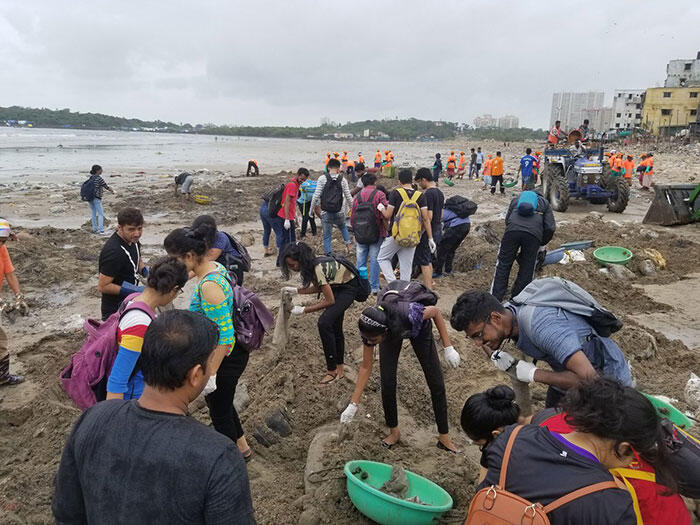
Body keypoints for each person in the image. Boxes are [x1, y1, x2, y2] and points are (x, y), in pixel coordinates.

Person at [52, 310, 255, 524]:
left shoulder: (93, 419)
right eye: (209, 364)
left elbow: (66, 514)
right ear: (195, 375)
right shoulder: (218, 457)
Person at [475, 378, 678, 525]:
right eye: (635, 453)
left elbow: (482, 487)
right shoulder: (612, 504)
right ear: (623, 447)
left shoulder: (510, 438)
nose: (634, 460)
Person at [450, 286, 633, 408]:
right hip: (570, 371)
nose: (478, 343)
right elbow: (489, 339)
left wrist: (534, 374)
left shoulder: (542, 326)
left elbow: (592, 381)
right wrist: (494, 355)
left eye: (478, 336)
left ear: (496, 318)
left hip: (607, 382)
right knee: (548, 427)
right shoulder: (508, 315)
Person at [164, 225, 252, 460]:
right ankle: (243, 448)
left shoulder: (209, 287)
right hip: (223, 355)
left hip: (226, 357)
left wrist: (211, 374)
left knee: (219, 411)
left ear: (190, 256)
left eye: (176, 260)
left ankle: (230, 461)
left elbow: (225, 337)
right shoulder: (215, 267)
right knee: (222, 402)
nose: (175, 265)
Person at [341, 296, 461, 452]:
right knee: (387, 381)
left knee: (435, 381)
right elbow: (366, 367)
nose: (369, 343)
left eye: (373, 340)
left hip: (416, 327)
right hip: (390, 327)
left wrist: (448, 347)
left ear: (384, 333)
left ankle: (444, 437)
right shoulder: (371, 327)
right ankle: (394, 432)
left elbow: (436, 312)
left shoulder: (411, 314)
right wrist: (353, 404)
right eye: (367, 339)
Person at [106, 257, 188, 400]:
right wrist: (115, 418)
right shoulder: (140, 324)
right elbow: (117, 383)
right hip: (131, 401)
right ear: (174, 289)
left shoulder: (133, 298)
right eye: (179, 291)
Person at [280, 242, 360, 385]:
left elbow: (329, 300)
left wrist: (304, 310)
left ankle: (332, 371)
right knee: (334, 326)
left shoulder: (316, 268)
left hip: (349, 288)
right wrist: (297, 290)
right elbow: (319, 287)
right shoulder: (312, 266)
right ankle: (339, 368)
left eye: (293, 265)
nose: (293, 269)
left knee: (324, 322)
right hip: (338, 287)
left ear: (300, 260)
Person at [490, 190, 556, 301]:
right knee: (527, 268)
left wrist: (512, 230)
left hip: (512, 232)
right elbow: (550, 227)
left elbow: (507, 220)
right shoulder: (545, 203)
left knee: (503, 264)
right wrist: (542, 243)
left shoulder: (516, 200)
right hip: (533, 236)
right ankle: (517, 299)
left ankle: (496, 297)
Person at [376, 169, 433, 282]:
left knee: (382, 258)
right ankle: (404, 292)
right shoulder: (420, 196)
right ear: (412, 180)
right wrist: (430, 238)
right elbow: (426, 219)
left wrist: (381, 208)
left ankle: (393, 282)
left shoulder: (396, 193)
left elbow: (388, 215)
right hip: (412, 235)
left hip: (396, 234)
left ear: (399, 182)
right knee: (406, 268)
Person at [460, 385, 520, 483]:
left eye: (482, 445)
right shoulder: (536, 427)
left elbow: (482, 491)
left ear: (496, 434)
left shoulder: (497, 453)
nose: (485, 448)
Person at [98, 208, 145, 320]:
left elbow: (137, 257)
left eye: (140, 228)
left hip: (129, 302)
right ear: (120, 227)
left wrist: (145, 271)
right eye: (131, 229)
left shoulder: (133, 240)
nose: (137, 233)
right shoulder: (114, 252)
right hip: (114, 311)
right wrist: (135, 290)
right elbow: (103, 286)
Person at [0, 220, 29, 386]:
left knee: (1, 340)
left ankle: (2, 376)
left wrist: (19, 295)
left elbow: (9, 273)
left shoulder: (2, 249)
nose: (1, 244)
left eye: (3, 241)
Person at [351, 171, 389, 294]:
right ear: (375, 182)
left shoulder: (358, 197)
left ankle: (360, 285)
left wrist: (356, 229)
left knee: (360, 259)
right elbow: (386, 213)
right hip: (376, 232)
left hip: (360, 232)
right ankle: (373, 287)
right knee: (374, 260)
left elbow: (352, 216)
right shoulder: (379, 194)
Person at [311, 158, 353, 255]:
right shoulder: (343, 179)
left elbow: (316, 196)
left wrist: (311, 210)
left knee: (327, 235)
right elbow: (348, 197)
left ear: (328, 168)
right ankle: (349, 248)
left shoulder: (322, 178)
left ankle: (329, 254)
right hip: (339, 211)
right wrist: (353, 209)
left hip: (326, 212)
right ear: (339, 168)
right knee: (343, 227)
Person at [192, 215, 247, 286]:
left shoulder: (220, 239)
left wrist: (182, 278)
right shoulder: (203, 238)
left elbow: (204, 262)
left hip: (232, 271)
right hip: (218, 271)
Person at [413, 168, 443, 289]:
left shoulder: (429, 194)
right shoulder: (440, 193)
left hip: (429, 230)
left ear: (424, 180)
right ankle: (430, 283)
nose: (420, 185)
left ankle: (428, 289)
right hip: (437, 228)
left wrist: (421, 232)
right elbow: (440, 214)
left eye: (420, 182)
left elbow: (428, 216)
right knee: (429, 259)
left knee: (424, 262)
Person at [271, 168, 308, 265]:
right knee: (289, 242)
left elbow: (292, 203)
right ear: (298, 175)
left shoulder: (296, 185)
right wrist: (287, 219)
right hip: (284, 217)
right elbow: (287, 202)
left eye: (304, 180)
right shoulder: (292, 185)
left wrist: (294, 216)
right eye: (301, 178)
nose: (302, 181)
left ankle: (281, 261)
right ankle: (283, 262)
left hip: (288, 216)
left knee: (287, 240)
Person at [434, 204, 470, 278]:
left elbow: (435, 223)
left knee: (442, 249)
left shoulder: (440, 211)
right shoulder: (453, 210)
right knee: (452, 249)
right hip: (467, 225)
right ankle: (448, 270)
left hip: (456, 226)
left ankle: (438, 272)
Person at [84, 165, 114, 235]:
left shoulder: (91, 178)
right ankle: (101, 230)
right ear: (97, 171)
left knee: (93, 213)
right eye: (101, 169)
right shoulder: (99, 178)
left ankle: (95, 229)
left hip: (90, 198)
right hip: (96, 198)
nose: (102, 171)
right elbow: (106, 186)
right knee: (100, 214)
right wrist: (112, 191)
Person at [297, 171, 318, 238]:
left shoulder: (304, 184)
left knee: (310, 217)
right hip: (302, 202)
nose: (303, 180)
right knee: (306, 217)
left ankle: (314, 232)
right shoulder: (312, 184)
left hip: (308, 201)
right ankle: (303, 234)